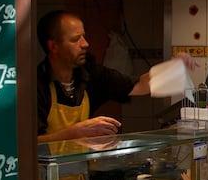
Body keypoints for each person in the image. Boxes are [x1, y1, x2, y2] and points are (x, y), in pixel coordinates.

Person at [36, 10, 193, 143]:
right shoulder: (36, 85)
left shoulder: (91, 75)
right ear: (53, 46)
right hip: (42, 177)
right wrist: (76, 132)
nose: (85, 44)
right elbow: (29, 143)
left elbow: (140, 86)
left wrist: (172, 68)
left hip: (78, 177)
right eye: (75, 39)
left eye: (83, 36)